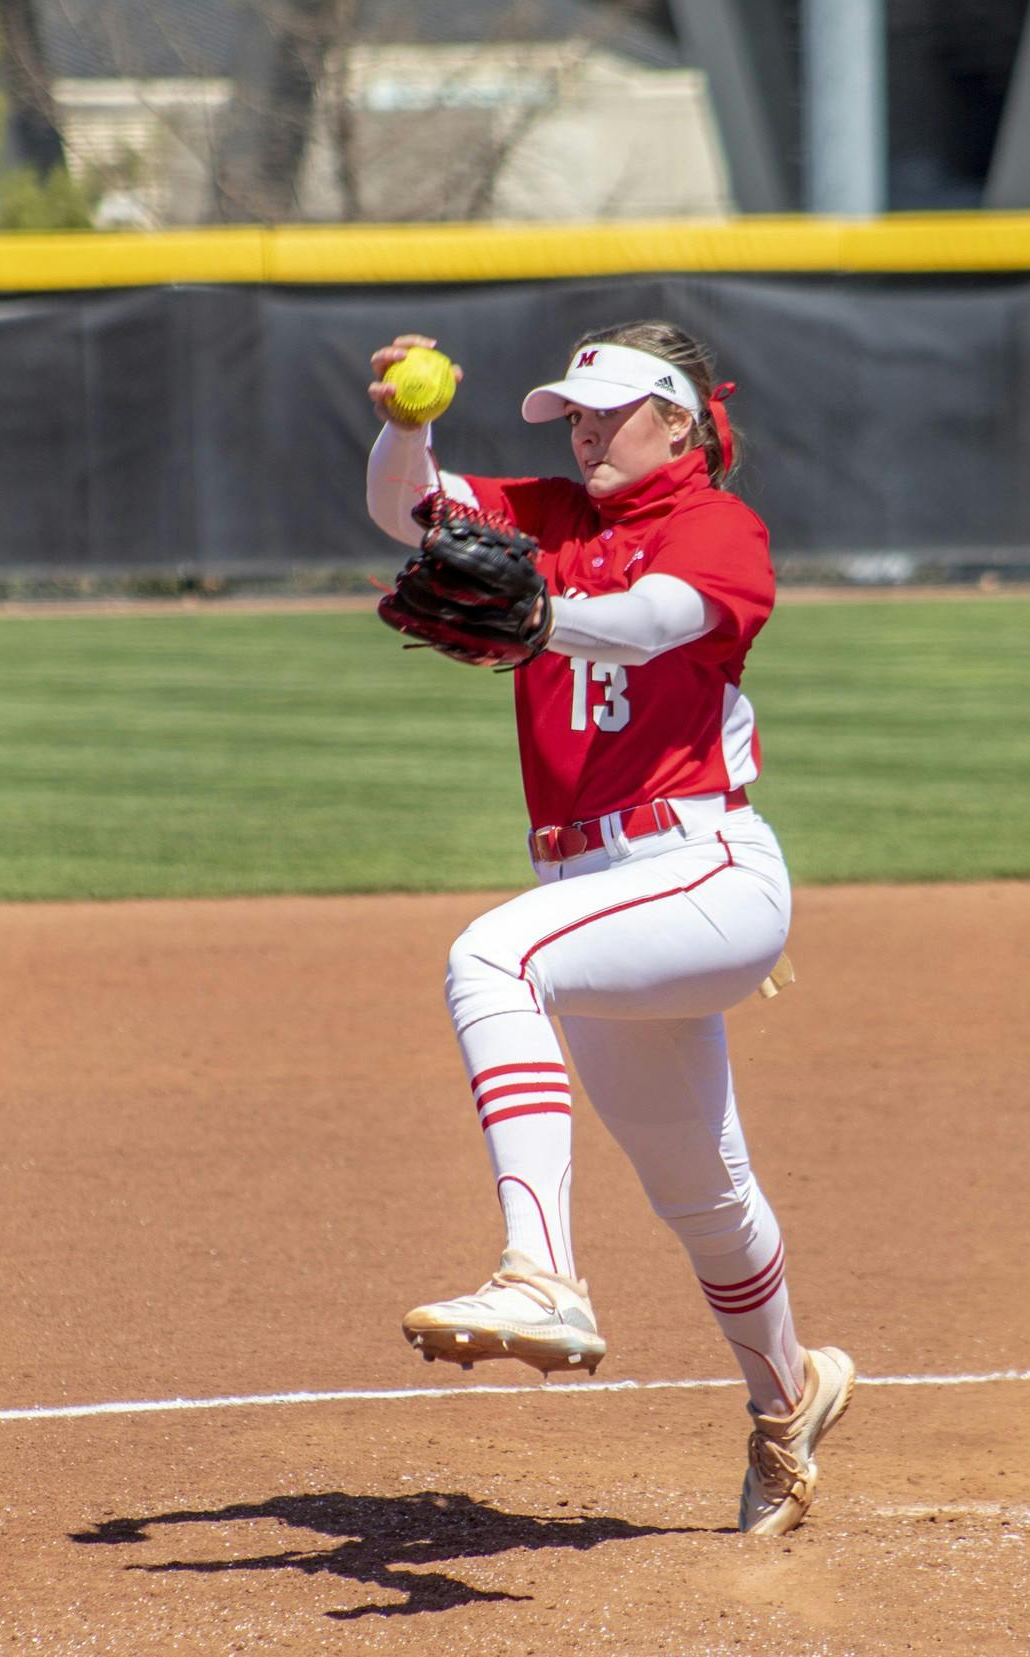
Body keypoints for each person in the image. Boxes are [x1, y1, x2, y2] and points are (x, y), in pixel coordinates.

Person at [365, 322, 854, 1536]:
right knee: (704, 1193)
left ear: (680, 423)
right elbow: (403, 509)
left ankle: (541, 1272)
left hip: (706, 872)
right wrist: (406, 424)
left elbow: (652, 622)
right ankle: (789, 1404)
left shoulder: (718, 531)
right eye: (572, 414)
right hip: (605, 890)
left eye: (610, 412)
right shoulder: (546, 516)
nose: (584, 432)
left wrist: (537, 622)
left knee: (494, 954)